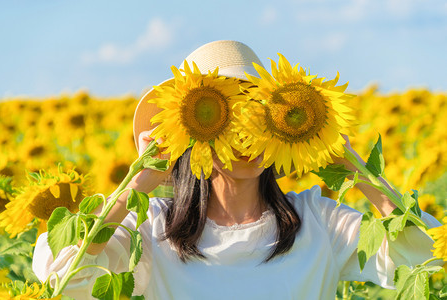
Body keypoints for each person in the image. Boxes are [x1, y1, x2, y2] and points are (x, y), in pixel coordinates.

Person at [32, 40, 441, 300]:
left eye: (260, 116)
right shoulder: (151, 230)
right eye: (225, 120)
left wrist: (355, 168)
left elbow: (429, 258)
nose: (245, 136)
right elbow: (62, 281)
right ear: (191, 132)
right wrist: (135, 185)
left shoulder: (319, 222)